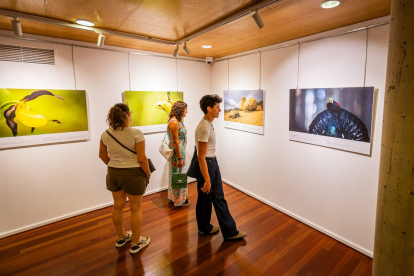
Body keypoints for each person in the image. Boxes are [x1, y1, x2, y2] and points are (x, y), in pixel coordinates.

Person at [99, 103, 151, 255]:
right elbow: (142, 159)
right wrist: (147, 173)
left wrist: (114, 164)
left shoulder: (106, 133)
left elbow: (102, 154)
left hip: (113, 173)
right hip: (133, 174)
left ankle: (122, 237)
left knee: (118, 206)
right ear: (128, 115)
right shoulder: (136, 133)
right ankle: (136, 242)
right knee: (135, 208)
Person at [193, 94, 246, 240]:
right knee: (217, 198)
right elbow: (201, 156)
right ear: (209, 108)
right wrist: (207, 179)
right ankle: (230, 232)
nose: (220, 110)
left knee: (207, 198)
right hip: (207, 165)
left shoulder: (207, 123)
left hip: (211, 163)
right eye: (217, 107)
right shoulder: (204, 127)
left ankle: (205, 227)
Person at [167, 101, 190, 206]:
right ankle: (179, 200)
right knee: (178, 176)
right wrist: (180, 158)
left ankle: (177, 198)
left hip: (180, 153)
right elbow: (176, 142)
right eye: (185, 110)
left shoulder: (178, 121)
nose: (187, 112)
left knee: (178, 175)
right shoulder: (174, 122)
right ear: (181, 110)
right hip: (177, 154)